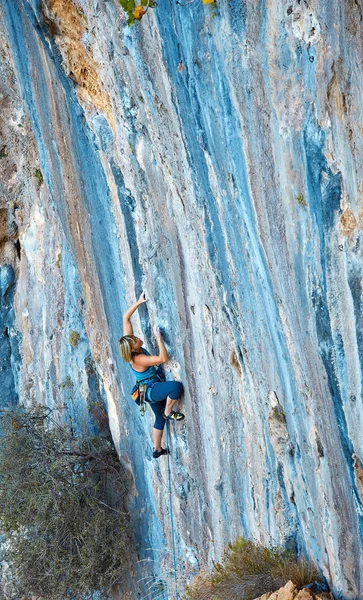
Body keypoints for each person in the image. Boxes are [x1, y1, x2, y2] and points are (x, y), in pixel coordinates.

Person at [119, 292, 184, 459]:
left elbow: (126, 318)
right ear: (132, 349)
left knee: (158, 418)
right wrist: (159, 339)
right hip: (150, 390)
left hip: (145, 390)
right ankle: (168, 411)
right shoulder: (138, 358)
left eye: (134, 337)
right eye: (136, 341)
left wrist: (139, 302)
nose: (138, 338)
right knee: (175, 387)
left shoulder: (129, 343)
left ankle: (156, 449)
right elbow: (163, 358)